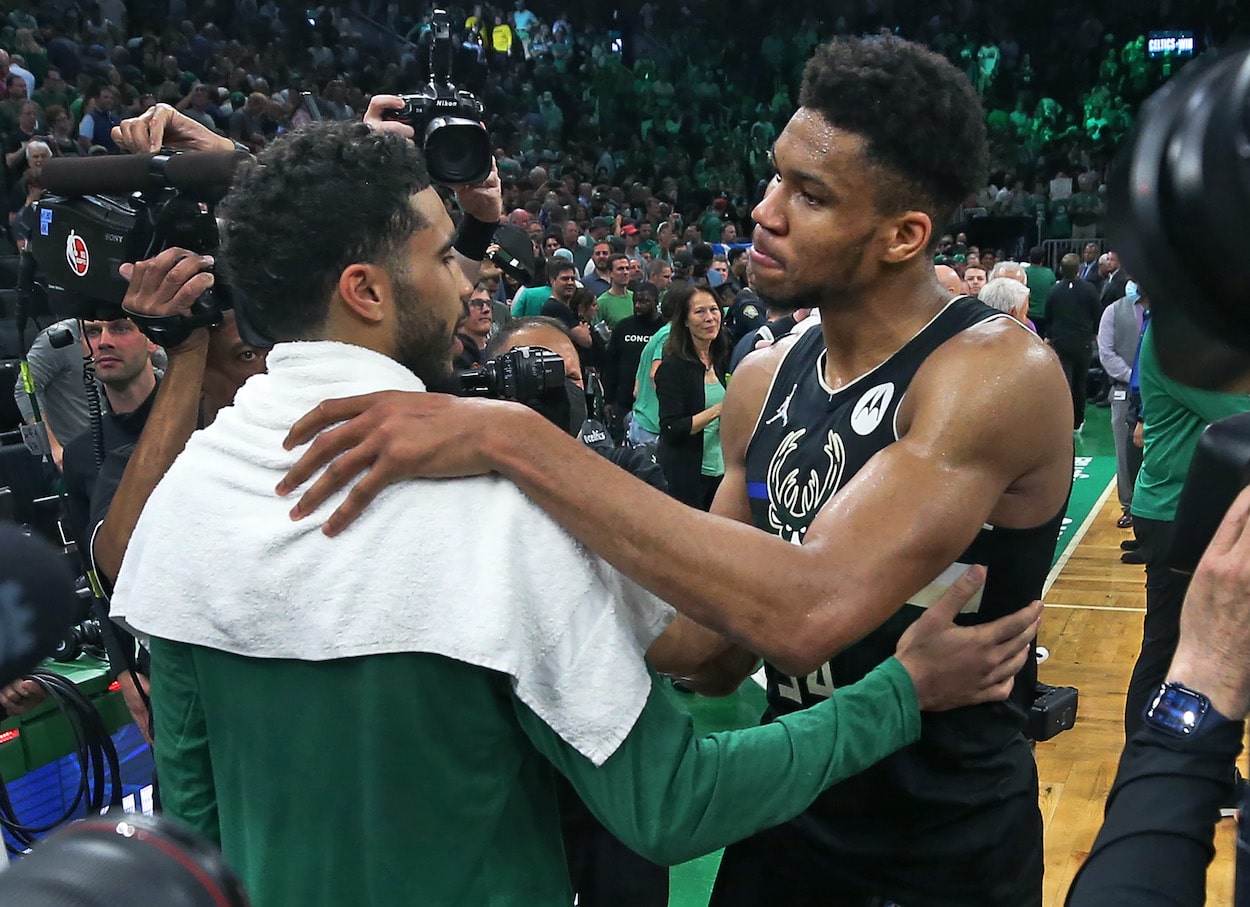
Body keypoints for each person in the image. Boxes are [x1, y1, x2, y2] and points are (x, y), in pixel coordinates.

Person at [108, 118, 1039, 907]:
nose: (474, 282)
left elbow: (194, 826)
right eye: (445, 255)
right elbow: (675, 797)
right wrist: (897, 693)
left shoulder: (191, 496)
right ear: (365, 289)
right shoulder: (489, 501)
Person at [655, 282, 728, 510]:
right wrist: (719, 410)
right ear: (685, 321)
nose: (710, 318)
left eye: (714, 309)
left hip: (723, 472)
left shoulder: (723, 356)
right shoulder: (673, 367)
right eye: (700, 312)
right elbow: (672, 429)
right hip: (688, 474)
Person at [1098, 280, 1148, 530]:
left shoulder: (1166, 311)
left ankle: (1152, 509)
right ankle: (1129, 507)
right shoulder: (1113, 311)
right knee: (1124, 452)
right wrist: (1135, 376)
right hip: (1123, 391)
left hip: (1159, 395)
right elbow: (1106, 353)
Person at [1045, 253, 1102, 431]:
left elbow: (1048, 315)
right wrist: (1095, 333)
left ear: (1061, 270)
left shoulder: (1054, 290)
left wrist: (1049, 336)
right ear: (1079, 270)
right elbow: (1097, 313)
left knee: (1065, 382)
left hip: (1060, 342)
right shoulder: (1089, 289)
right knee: (1080, 382)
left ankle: (1063, 420)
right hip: (1082, 342)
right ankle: (1078, 421)